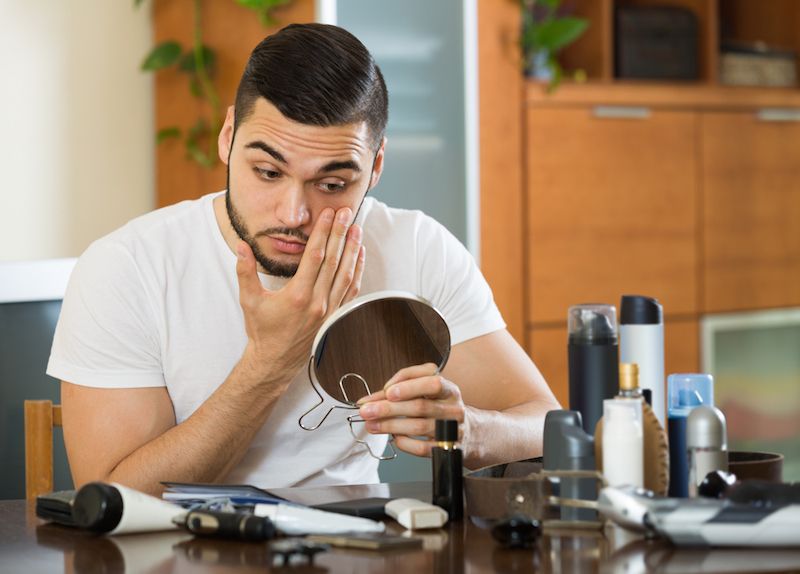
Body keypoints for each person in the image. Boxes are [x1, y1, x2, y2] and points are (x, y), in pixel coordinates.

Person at [48, 23, 559, 495]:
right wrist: (270, 363)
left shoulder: (415, 247)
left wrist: (470, 429)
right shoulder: (126, 268)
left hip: (358, 545)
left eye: (333, 184)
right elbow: (110, 501)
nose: (294, 213)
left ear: (376, 165)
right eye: (268, 172)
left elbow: (545, 422)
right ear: (228, 137)